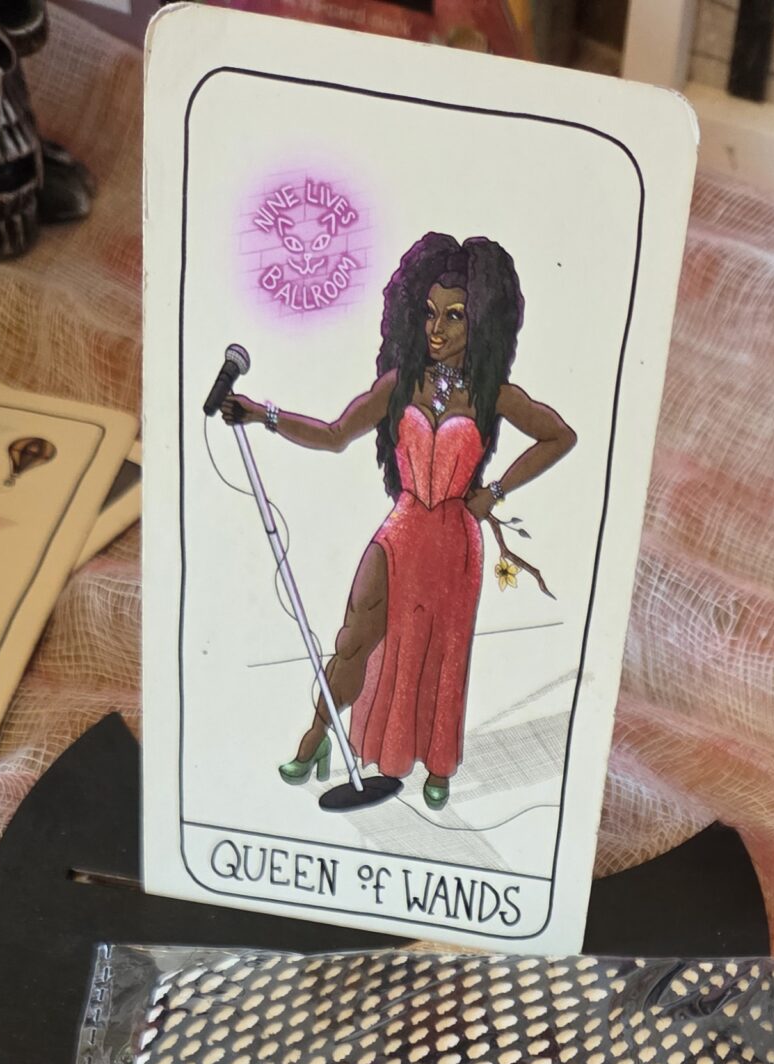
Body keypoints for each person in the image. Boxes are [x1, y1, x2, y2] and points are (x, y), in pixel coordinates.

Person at [223, 230, 576, 809]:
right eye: (429, 312)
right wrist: (263, 413)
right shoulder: (402, 383)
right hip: (403, 530)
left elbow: (559, 436)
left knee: (444, 654)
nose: (436, 329)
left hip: (454, 544)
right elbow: (335, 434)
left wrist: (494, 492)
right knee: (354, 637)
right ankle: (316, 738)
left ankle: (438, 765)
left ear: (481, 321)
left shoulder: (493, 394)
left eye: (454, 316)